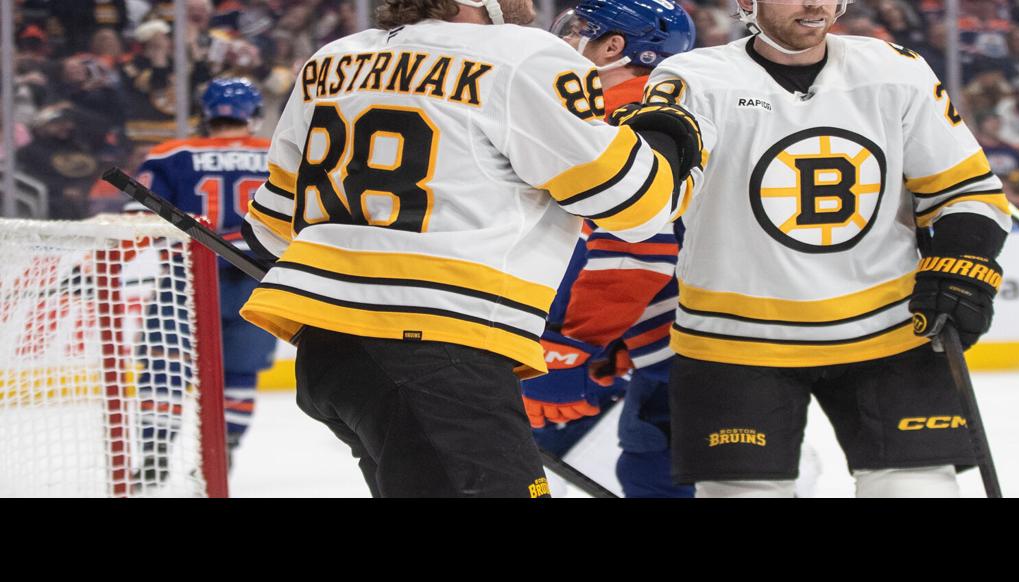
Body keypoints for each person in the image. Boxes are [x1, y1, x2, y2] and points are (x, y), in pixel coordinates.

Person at [236, 0, 700, 498]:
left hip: (330, 356)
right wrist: (666, 133)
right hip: (439, 352)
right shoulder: (523, 55)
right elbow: (633, 203)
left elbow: (269, 228)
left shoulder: (332, 60)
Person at [633, 0, 1011, 498]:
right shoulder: (694, 79)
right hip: (735, 339)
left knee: (918, 488)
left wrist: (963, 263)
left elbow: (967, 190)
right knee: (743, 494)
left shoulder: (895, 70)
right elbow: (651, 200)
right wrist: (637, 161)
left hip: (890, 329)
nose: (816, 4)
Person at [523, 0, 696, 498]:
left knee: (664, 474)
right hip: (666, 333)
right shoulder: (635, 111)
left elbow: (637, 250)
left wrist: (573, 345)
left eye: (579, 31)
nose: (565, 41)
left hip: (686, 341)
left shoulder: (625, 121)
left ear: (615, 47)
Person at [130, 78, 277, 481]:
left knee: (164, 365)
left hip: (186, 276)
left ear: (205, 114)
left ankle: (155, 450)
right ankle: (223, 448)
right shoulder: (279, 153)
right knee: (240, 372)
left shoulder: (170, 153)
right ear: (254, 115)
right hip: (256, 278)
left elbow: (137, 220)